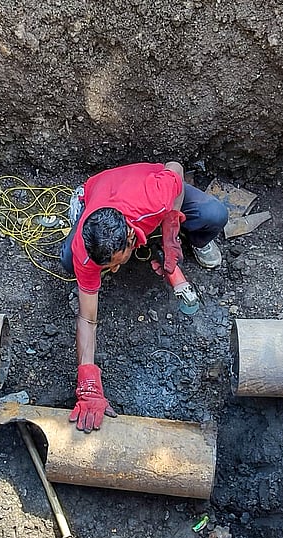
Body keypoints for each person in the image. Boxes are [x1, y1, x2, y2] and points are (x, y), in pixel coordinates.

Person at [59, 161, 229, 432]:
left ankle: (197, 239)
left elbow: (175, 166)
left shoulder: (154, 196)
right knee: (68, 260)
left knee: (214, 213)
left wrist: (171, 227)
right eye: (106, 267)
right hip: (100, 190)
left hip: (144, 187)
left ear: (129, 237)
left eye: (114, 263)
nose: (113, 270)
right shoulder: (86, 246)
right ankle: (80, 203)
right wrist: (88, 382)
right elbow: (87, 318)